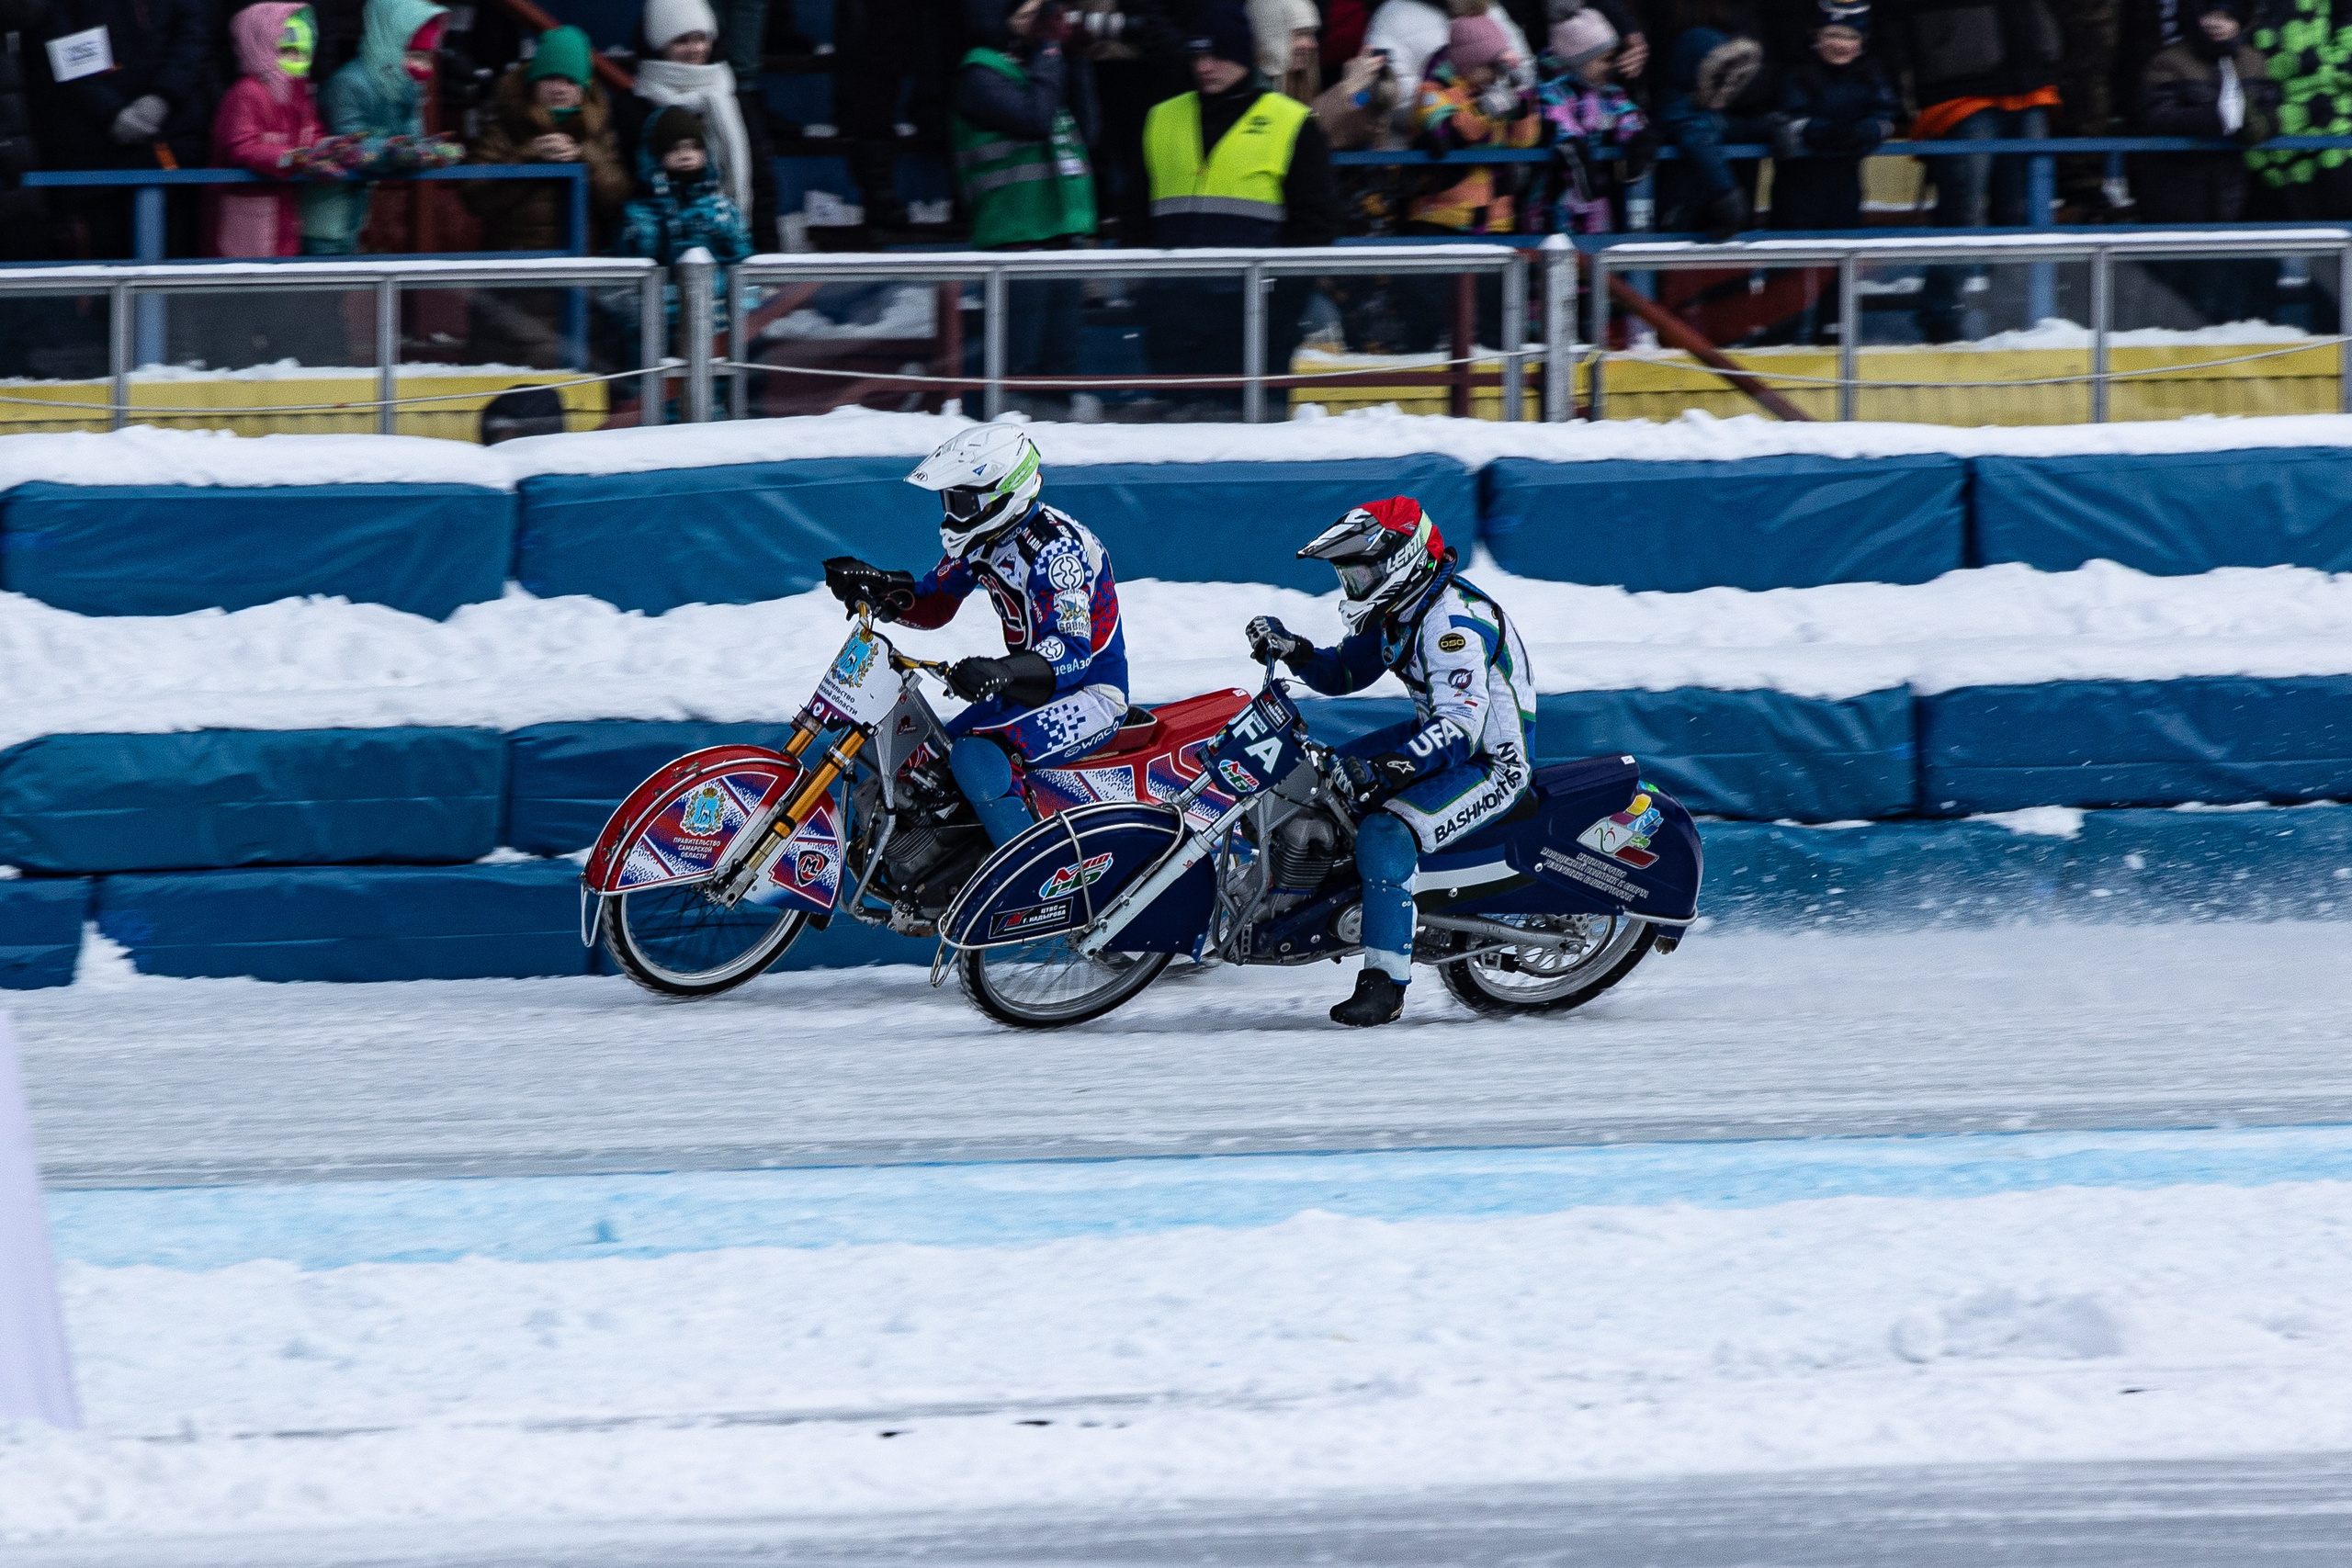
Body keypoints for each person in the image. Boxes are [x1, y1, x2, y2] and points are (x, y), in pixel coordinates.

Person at [1245, 496, 1536, 1027]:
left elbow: (1461, 728)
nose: (1354, 584)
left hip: (1489, 761)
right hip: (1439, 736)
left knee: (1384, 832)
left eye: (1362, 571)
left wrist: (1388, 769)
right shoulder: (1397, 609)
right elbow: (1346, 675)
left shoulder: (1452, 625)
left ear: (1401, 561)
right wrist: (1296, 650)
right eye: (1348, 574)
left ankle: (1385, 982)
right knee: (1310, 779)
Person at [820, 427, 1131, 849]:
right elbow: (934, 602)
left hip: (1091, 694)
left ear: (1004, 493)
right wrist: (877, 586)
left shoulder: (1058, 554)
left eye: (963, 501)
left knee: (976, 756)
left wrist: (1000, 671)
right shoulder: (986, 541)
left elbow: (1072, 654)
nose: (951, 513)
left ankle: (1032, 886)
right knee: (923, 760)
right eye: (949, 500)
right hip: (1028, 689)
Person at [1141, 3, 1340, 409]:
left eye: (1216, 55)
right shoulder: (1161, 118)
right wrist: (1151, 294)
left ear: (1242, 55)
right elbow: (1136, 215)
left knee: (1251, 436)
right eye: (1196, 55)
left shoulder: (1293, 123)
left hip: (1255, 316)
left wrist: (1283, 306)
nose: (1204, 66)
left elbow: (1314, 226)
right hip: (1175, 314)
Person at [1882, 0, 2064, 335]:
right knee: (1962, 212)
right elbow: (1890, 20)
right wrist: (1898, 92)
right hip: (1958, 86)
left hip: (2030, 82)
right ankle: (1942, 319)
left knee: (2021, 214)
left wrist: (2048, 50)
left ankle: (2013, 321)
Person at [953, 0, 1098, 412]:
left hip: (1062, 234)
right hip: (1015, 237)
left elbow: (1089, 132)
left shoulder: (1040, 67)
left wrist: (1076, 60)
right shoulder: (979, 71)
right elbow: (1033, 119)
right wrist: (1052, 51)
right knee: (1017, 365)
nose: (1045, 22)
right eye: (1034, 11)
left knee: (1061, 367)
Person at [28, 0, 210, 259]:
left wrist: (162, 96)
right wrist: (110, 112)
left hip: (172, 148)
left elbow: (192, 38)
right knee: (105, 261)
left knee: (174, 260)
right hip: (96, 157)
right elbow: (65, 47)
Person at [2134, 0, 2277, 321]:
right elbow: (2156, 117)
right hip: (2179, 193)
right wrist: (2209, 119)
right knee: (2179, 287)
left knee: (2233, 285)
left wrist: (2261, 125)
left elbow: (2273, 109)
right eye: (2209, 14)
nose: (2217, 23)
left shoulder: (2254, 62)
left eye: (2227, 16)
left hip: (2238, 192)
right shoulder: (2168, 62)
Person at [303, 0, 458, 254]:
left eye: (428, 58)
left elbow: (410, 136)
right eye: (415, 56)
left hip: (356, 208)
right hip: (323, 210)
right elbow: (347, 146)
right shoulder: (348, 84)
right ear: (391, 47)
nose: (425, 69)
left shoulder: (403, 86)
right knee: (319, 283)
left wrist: (428, 150)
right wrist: (396, 151)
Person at [624, 0, 778, 251]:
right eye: (682, 40)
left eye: (702, 38)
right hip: (661, 250)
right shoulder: (634, 106)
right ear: (659, 44)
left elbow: (760, 184)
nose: (695, 49)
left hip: (731, 246)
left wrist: (764, 257)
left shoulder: (732, 98)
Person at [465, 25, 630, 253]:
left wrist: (584, 155)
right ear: (534, 82)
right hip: (515, 271)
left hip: (581, 271)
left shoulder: (598, 130)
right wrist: (531, 154)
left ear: (584, 88)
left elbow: (619, 200)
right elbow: (474, 197)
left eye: (571, 81)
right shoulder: (505, 126)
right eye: (550, 78)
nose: (559, 89)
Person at [207, 3, 333, 257]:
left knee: (281, 287)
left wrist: (333, 149)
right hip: (244, 215)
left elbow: (311, 134)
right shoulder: (247, 92)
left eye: (303, 53)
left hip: (285, 214)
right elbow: (242, 146)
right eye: (287, 51)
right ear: (263, 48)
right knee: (243, 288)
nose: (297, 61)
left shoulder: (300, 92)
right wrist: (290, 158)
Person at [616, 106, 755, 329]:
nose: (685, 154)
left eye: (694, 147)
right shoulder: (639, 215)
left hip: (717, 328)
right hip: (656, 333)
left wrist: (742, 322)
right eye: (674, 149)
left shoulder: (723, 211)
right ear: (655, 155)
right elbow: (625, 285)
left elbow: (743, 271)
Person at [1408, 10, 1544, 234]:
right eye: (1490, 66)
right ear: (1469, 64)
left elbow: (1525, 141)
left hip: (1496, 219)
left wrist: (1522, 100)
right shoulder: (1434, 91)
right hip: (1443, 218)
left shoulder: (1496, 94)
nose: (1495, 74)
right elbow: (1445, 135)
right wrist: (1484, 110)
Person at [1768, 0, 1897, 231]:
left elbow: (1887, 116)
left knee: (1842, 252)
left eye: (1850, 37)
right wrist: (1826, 132)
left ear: (1862, 43)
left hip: (1846, 188)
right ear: (1818, 37)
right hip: (1797, 189)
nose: (1840, 44)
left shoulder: (1871, 75)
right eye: (1833, 34)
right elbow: (1790, 120)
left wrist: (1869, 130)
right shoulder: (1798, 73)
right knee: (1793, 260)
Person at [1534, 6, 1655, 233]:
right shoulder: (1552, 91)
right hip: (1555, 203)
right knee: (1562, 262)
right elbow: (1558, 119)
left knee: (1599, 261)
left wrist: (1639, 136)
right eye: (1604, 60)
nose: (1610, 67)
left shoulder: (1607, 92)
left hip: (1597, 205)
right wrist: (1572, 145)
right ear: (1579, 61)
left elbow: (1626, 114)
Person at [1657, 9, 1770, 238]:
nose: (1727, 89)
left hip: (1699, 209)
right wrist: (1727, 192)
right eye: (1719, 79)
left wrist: (1768, 126)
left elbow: (1727, 128)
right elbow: (1699, 139)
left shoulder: (1707, 110)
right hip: (1680, 214)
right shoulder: (1678, 109)